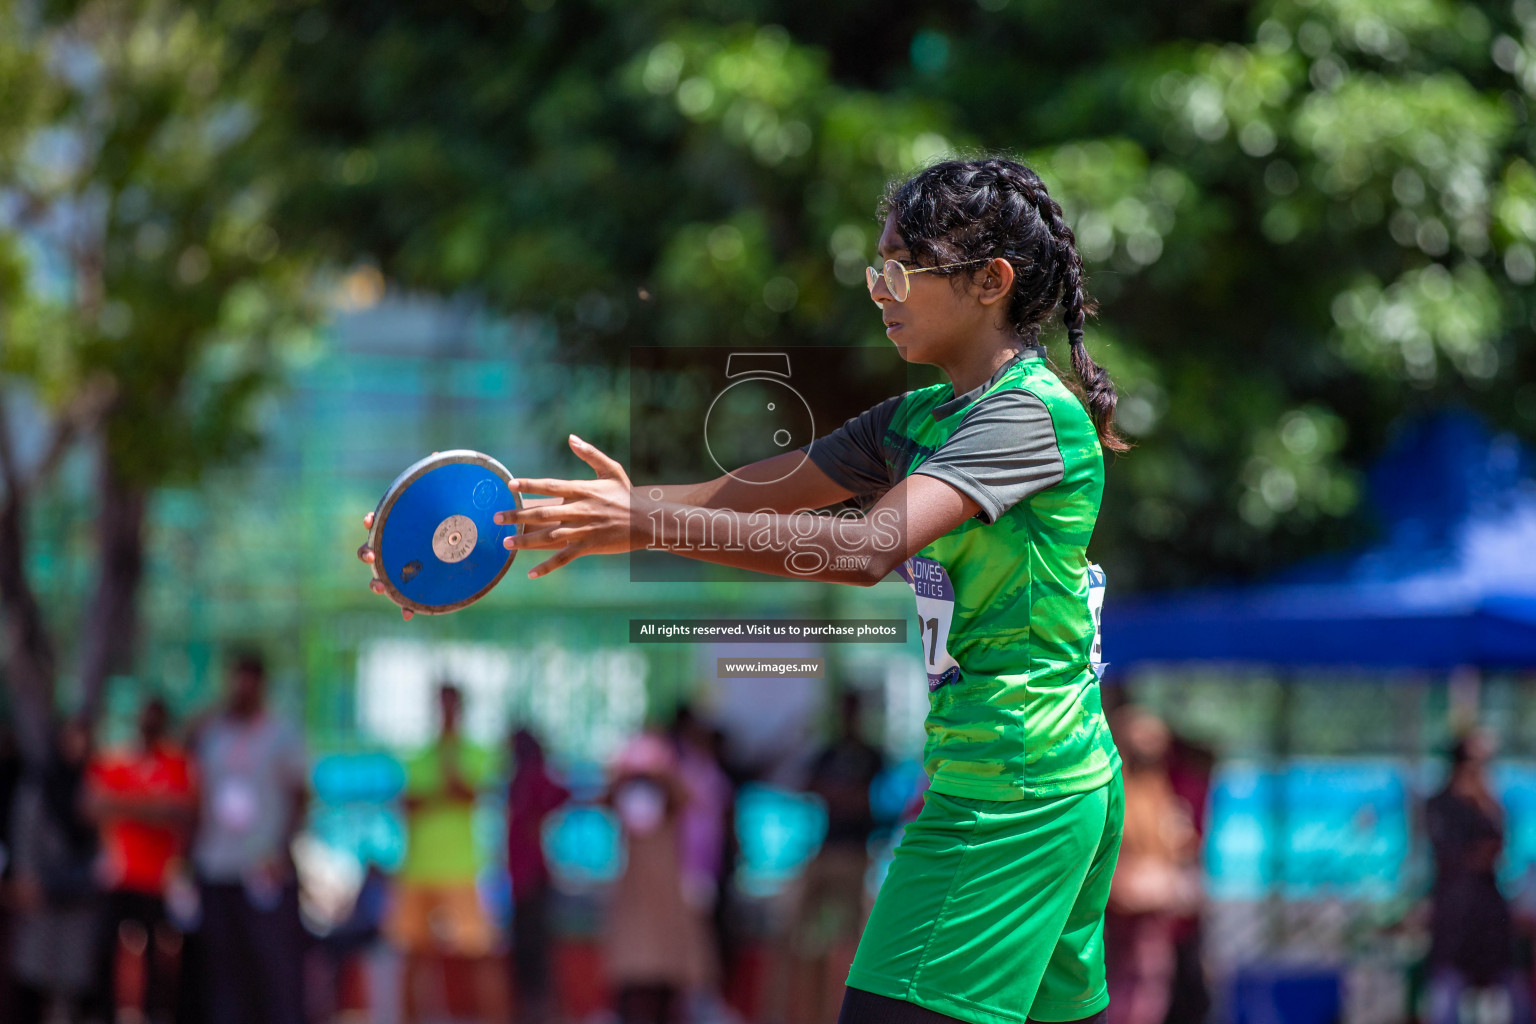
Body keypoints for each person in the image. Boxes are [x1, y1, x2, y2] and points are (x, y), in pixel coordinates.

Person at [358, 155, 1127, 1024]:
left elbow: (869, 547)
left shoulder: (1027, 415)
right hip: (1044, 781)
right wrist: (549, 517)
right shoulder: (916, 418)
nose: (881, 288)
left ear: (991, 281)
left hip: (1010, 792)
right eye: (878, 267)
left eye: (903, 267)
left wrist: (648, 524)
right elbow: (756, 492)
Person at [191, 651, 309, 1024]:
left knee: (271, 966)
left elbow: (300, 795)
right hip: (216, 864)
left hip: (263, 867)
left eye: (249, 681)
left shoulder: (281, 732)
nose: (242, 690)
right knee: (223, 967)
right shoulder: (213, 732)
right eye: (236, 681)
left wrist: (282, 850)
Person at [388, 682, 502, 1022]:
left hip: (462, 870)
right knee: (414, 958)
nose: (446, 713)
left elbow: (468, 794)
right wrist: (442, 791)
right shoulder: (420, 756)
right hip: (418, 869)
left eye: (451, 706)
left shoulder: (478, 754)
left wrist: (442, 782)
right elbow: (408, 803)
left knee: (479, 957)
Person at [85, 695, 196, 1023]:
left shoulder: (176, 763)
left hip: (157, 877)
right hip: (119, 873)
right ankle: (105, 1013)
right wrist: (151, 809)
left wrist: (124, 806)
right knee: (106, 949)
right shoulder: (118, 761)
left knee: (156, 955)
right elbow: (93, 805)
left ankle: (153, 1014)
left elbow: (181, 811)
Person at [785, 691, 885, 1024]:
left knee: (850, 946)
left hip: (856, 856)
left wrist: (838, 795)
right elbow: (807, 785)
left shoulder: (872, 755)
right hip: (825, 852)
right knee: (802, 941)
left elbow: (869, 801)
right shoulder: (828, 752)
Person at [603, 731, 710, 1024]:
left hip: (665, 890)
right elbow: (605, 799)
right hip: (634, 890)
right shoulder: (623, 791)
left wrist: (663, 772)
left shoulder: (670, 793)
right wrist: (624, 774)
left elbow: (689, 797)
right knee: (635, 971)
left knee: (668, 970)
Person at [1102, 707, 1198, 1024]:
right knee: (1125, 979)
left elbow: (1176, 847)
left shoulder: (1159, 790)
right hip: (1121, 910)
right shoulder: (1113, 791)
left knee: (1151, 978)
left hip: (1153, 909)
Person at [1425, 731, 1528, 1024]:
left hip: (1488, 917)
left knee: (1512, 993)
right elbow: (1460, 856)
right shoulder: (1441, 805)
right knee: (1448, 993)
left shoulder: (1487, 803)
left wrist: (1485, 804)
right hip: (1455, 917)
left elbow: (1498, 848)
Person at [8, 718, 101, 1024]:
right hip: (41, 900)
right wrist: (27, 879)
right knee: (36, 982)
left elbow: (106, 851)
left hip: (80, 900)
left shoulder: (97, 785)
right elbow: (24, 835)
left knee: (71, 988)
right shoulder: (41, 784)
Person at [506, 727, 570, 1024]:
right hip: (519, 879)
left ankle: (541, 1012)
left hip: (531, 876)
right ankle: (528, 1010)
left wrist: (539, 816)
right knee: (524, 951)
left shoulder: (532, 775)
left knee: (534, 950)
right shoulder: (517, 778)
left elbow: (561, 793)